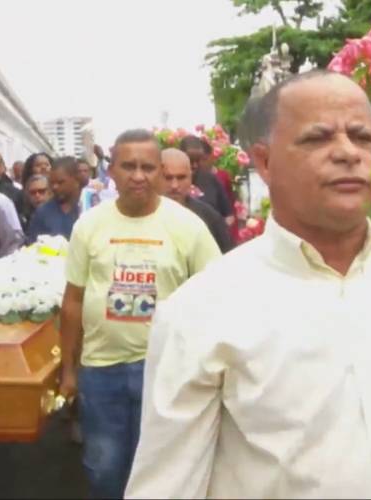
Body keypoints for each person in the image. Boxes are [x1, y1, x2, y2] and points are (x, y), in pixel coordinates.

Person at [124, 71, 371, 499]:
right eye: (318, 138)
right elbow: (166, 484)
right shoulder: (200, 312)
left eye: (363, 137)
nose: (347, 153)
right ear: (265, 162)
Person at [58, 129, 221, 499]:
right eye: (128, 166)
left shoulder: (188, 227)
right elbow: (73, 300)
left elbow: (216, 296)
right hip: (101, 370)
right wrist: (68, 369)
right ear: (111, 170)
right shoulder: (89, 226)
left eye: (148, 167)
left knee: (162, 473)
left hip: (166, 371)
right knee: (104, 469)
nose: (138, 175)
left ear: (161, 173)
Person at [160, 148, 232, 253]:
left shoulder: (209, 218)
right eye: (167, 178)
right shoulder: (140, 215)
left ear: (190, 178)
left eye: (181, 178)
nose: (174, 185)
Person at [179, 135, 234, 227]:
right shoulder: (171, 182)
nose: (195, 165)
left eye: (198, 160)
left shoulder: (211, 180)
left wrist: (218, 230)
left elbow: (229, 216)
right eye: (191, 160)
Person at [25, 156, 82, 244]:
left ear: (76, 180)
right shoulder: (42, 213)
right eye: (52, 183)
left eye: (60, 182)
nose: (55, 187)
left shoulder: (89, 207)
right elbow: (33, 247)